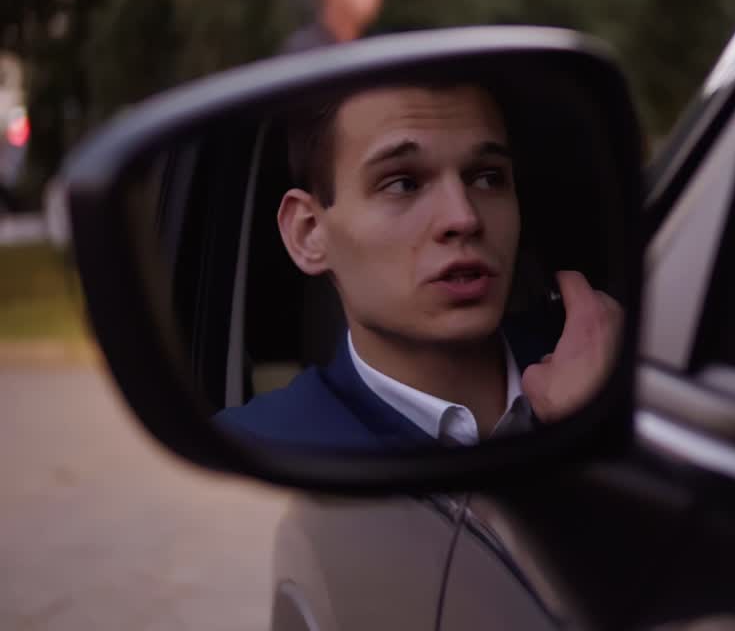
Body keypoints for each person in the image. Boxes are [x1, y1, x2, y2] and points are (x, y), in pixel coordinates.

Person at [217, 83, 623, 449]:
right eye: (402, 183)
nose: (463, 217)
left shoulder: (607, 364)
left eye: (487, 178)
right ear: (308, 233)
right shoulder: (253, 449)